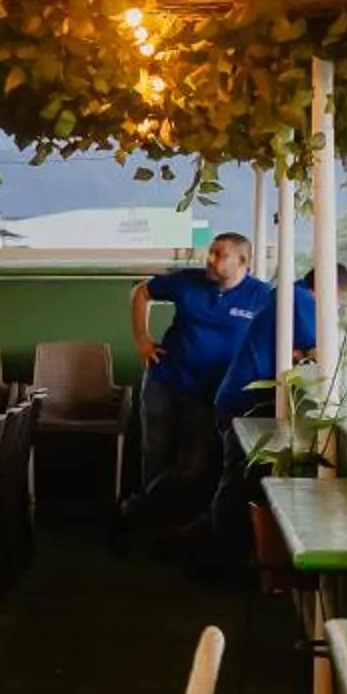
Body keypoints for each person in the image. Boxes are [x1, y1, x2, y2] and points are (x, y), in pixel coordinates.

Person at [176, 264, 342, 572]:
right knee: (234, 483)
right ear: (330, 292)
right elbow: (319, 349)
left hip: (240, 400)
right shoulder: (301, 300)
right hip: (245, 403)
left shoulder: (287, 295)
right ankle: (209, 556)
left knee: (235, 482)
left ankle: (199, 547)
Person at [120, 232, 268, 546]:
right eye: (210, 252)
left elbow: (286, 327)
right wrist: (142, 340)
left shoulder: (261, 296)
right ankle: (150, 529)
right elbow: (142, 292)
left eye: (219, 255)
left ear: (243, 262)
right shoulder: (188, 282)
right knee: (154, 453)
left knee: (193, 465)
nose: (209, 260)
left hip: (210, 391)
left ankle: (136, 512)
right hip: (165, 379)